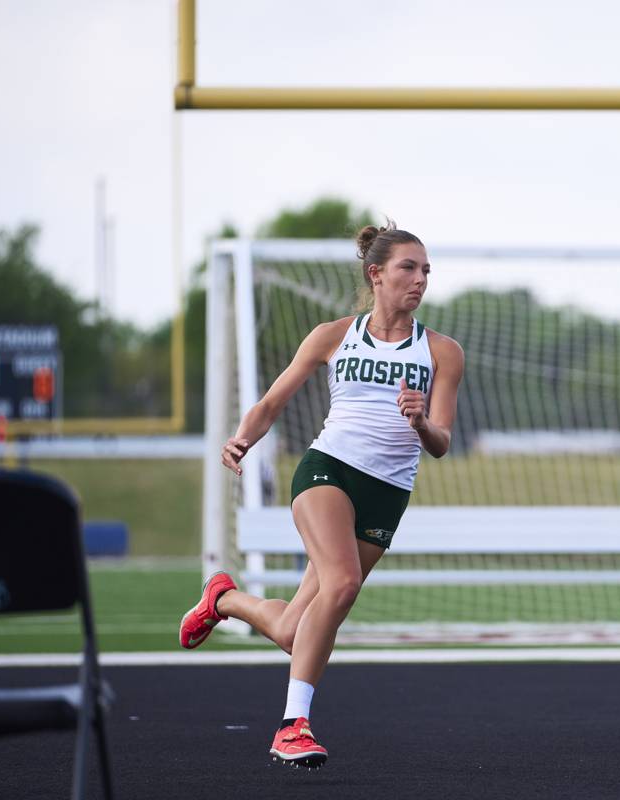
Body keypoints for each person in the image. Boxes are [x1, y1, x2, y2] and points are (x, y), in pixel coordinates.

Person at [178, 222, 464, 769]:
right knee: (343, 583)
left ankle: (224, 599)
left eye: (426, 269)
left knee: (293, 631)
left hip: (387, 493)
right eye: (408, 267)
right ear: (375, 273)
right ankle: (293, 726)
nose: (420, 279)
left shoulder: (442, 352)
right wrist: (242, 438)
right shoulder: (334, 335)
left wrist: (421, 420)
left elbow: (442, 443)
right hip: (328, 471)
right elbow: (271, 403)